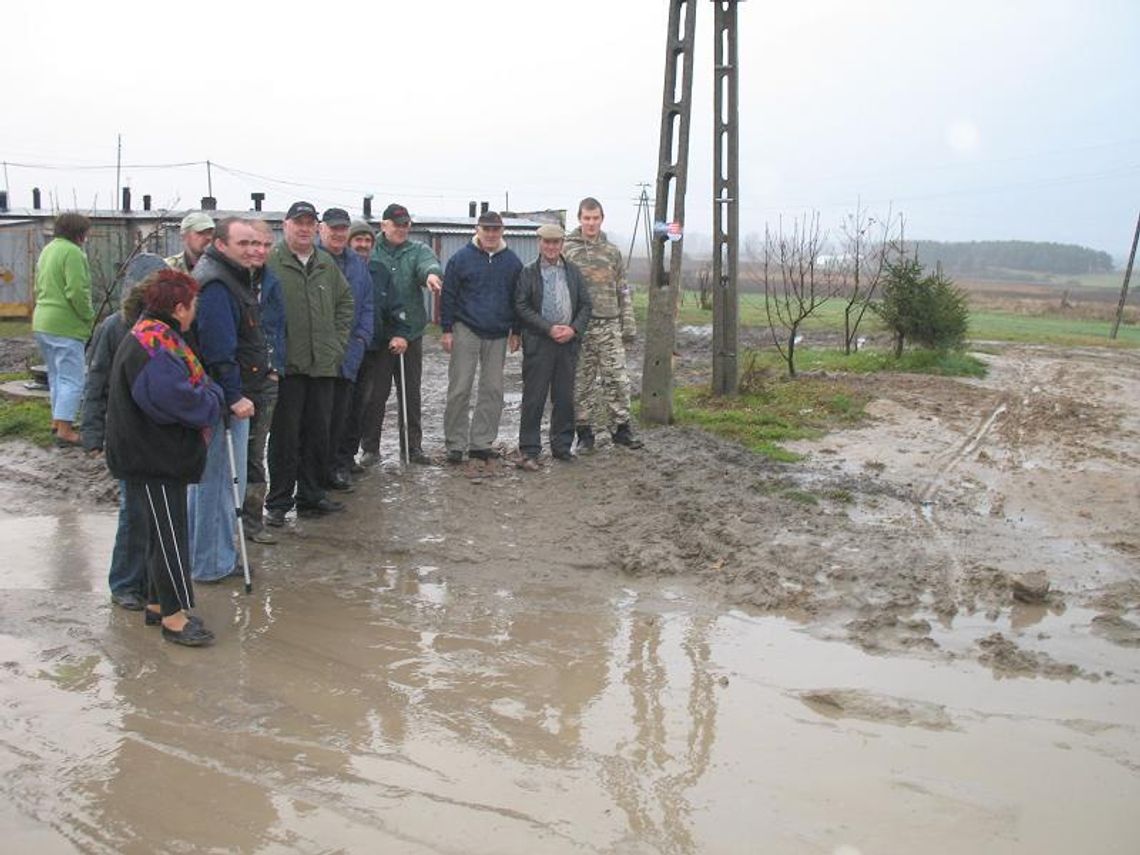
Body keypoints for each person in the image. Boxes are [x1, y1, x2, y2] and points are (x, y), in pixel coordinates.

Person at [104, 268, 225, 647]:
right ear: (178, 307)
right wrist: (214, 399)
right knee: (171, 535)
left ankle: (158, 604)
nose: (194, 312)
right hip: (154, 455)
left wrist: (206, 391)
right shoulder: (153, 344)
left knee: (162, 532)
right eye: (193, 305)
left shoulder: (153, 335)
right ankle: (174, 618)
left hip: (152, 452)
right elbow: (177, 400)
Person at [81, 253, 168, 610]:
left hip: (160, 437)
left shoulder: (169, 328)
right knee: (134, 512)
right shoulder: (114, 328)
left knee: (157, 514)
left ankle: (151, 580)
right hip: (127, 436)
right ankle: (125, 583)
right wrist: (92, 433)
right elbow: (96, 382)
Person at [264, 201, 354, 525]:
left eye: (309, 223)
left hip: (323, 366)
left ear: (317, 228)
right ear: (285, 225)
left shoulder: (325, 263)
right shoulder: (271, 262)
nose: (304, 229)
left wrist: (337, 343)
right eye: (297, 223)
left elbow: (346, 303)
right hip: (288, 368)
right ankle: (278, 502)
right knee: (285, 437)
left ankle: (311, 495)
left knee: (320, 432)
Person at [187, 218, 263, 583]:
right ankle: (212, 563)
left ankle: (202, 557)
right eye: (244, 242)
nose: (253, 249)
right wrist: (234, 396)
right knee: (219, 483)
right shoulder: (217, 283)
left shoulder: (227, 275)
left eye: (258, 243)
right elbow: (219, 349)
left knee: (206, 482)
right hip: (222, 400)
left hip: (215, 395)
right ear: (221, 244)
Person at [440, 211, 522, 467]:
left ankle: (481, 444)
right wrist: (447, 329)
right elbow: (448, 295)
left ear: (502, 231)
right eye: (486, 229)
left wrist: (516, 331)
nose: (490, 234)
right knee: (460, 387)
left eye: (495, 230)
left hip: (498, 333)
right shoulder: (460, 259)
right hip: (466, 328)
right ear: (477, 229)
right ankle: (455, 444)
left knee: (493, 389)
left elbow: (517, 300)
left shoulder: (512, 262)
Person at [364, 203, 442, 465]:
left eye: (405, 224)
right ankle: (370, 448)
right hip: (379, 335)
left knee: (411, 392)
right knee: (376, 393)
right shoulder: (370, 249)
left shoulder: (418, 250)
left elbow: (428, 265)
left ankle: (412, 447)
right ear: (383, 225)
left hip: (411, 333)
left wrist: (431, 275)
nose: (401, 229)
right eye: (396, 224)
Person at [563, 197, 643, 450]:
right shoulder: (568, 250)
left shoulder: (612, 252)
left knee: (617, 380)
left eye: (595, 218)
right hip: (580, 327)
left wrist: (628, 325)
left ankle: (621, 429)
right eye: (586, 218)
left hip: (610, 325)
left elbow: (622, 289)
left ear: (602, 219)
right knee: (581, 382)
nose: (591, 223)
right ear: (579, 219)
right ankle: (585, 433)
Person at [515, 224, 592, 469]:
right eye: (547, 242)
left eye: (556, 242)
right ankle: (529, 451)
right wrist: (548, 328)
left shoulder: (573, 272)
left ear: (562, 245)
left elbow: (585, 305)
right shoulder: (528, 272)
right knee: (534, 398)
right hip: (539, 343)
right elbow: (521, 306)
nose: (551, 247)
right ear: (540, 243)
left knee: (564, 397)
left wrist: (573, 329)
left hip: (568, 344)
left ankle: (561, 446)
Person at [338, 245, 410, 477]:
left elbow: (394, 306)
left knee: (366, 401)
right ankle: (334, 460)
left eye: (367, 239)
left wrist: (400, 331)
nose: (362, 245)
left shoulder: (379, 270)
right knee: (340, 405)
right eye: (357, 238)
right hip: (343, 348)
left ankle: (353, 455)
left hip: (373, 347)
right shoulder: (333, 266)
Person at [318, 208, 374, 490]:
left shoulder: (356, 263)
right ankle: (314, 475)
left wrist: (363, 337)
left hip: (351, 349)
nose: (339, 233)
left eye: (343, 229)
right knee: (318, 417)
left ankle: (338, 467)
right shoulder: (314, 259)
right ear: (322, 229)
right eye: (334, 229)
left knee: (345, 412)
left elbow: (366, 304)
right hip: (318, 353)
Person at [32, 212, 95, 445]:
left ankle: (58, 421)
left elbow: (38, 285)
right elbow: (77, 291)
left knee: (56, 376)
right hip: (65, 324)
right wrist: (88, 316)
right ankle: (66, 431)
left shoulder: (48, 250)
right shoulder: (73, 253)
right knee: (73, 378)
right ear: (79, 233)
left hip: (42, 321)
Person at [242, 219, 284, 543]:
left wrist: (275, 367)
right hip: (233, 380)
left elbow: (278, 326)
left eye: (265, 245)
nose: (259, 251)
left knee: (256, 452)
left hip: (265, 378)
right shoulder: (225, 281)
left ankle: (251, 523)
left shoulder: (271, 281)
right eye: (252, 244)